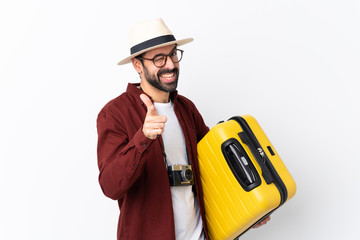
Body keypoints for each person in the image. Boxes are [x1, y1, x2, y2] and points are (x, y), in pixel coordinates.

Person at [96, 18, 270, 240]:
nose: (170, 65)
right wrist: (143, 137)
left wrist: (251, 206)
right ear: (137, 65)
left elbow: (214, 168)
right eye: (159, 58)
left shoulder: (186, 108)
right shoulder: (115, 113)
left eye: (173, 54)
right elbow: (110, 186)